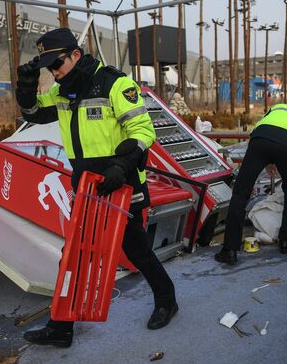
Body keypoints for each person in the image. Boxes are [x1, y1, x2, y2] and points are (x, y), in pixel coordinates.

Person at [15, 28, 178, 347]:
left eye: (58, 63)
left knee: (137, 251)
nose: (54, 72)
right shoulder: (61, 91)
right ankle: (61, 328)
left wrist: (122, 166)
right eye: (49, 68)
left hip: (123, 184)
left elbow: (144, 132)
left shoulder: (115, 83)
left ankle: (167, 300)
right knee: (73, 255)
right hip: (88, 187)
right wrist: (26, 85)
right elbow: (32, 113)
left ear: (76, 55)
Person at [214, 103, 287, 264]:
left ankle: (229, 250)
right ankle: (285, 243)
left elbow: (260, 130)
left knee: (240, 194)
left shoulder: (279, 107)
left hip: (259, 141)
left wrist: (268, 160)